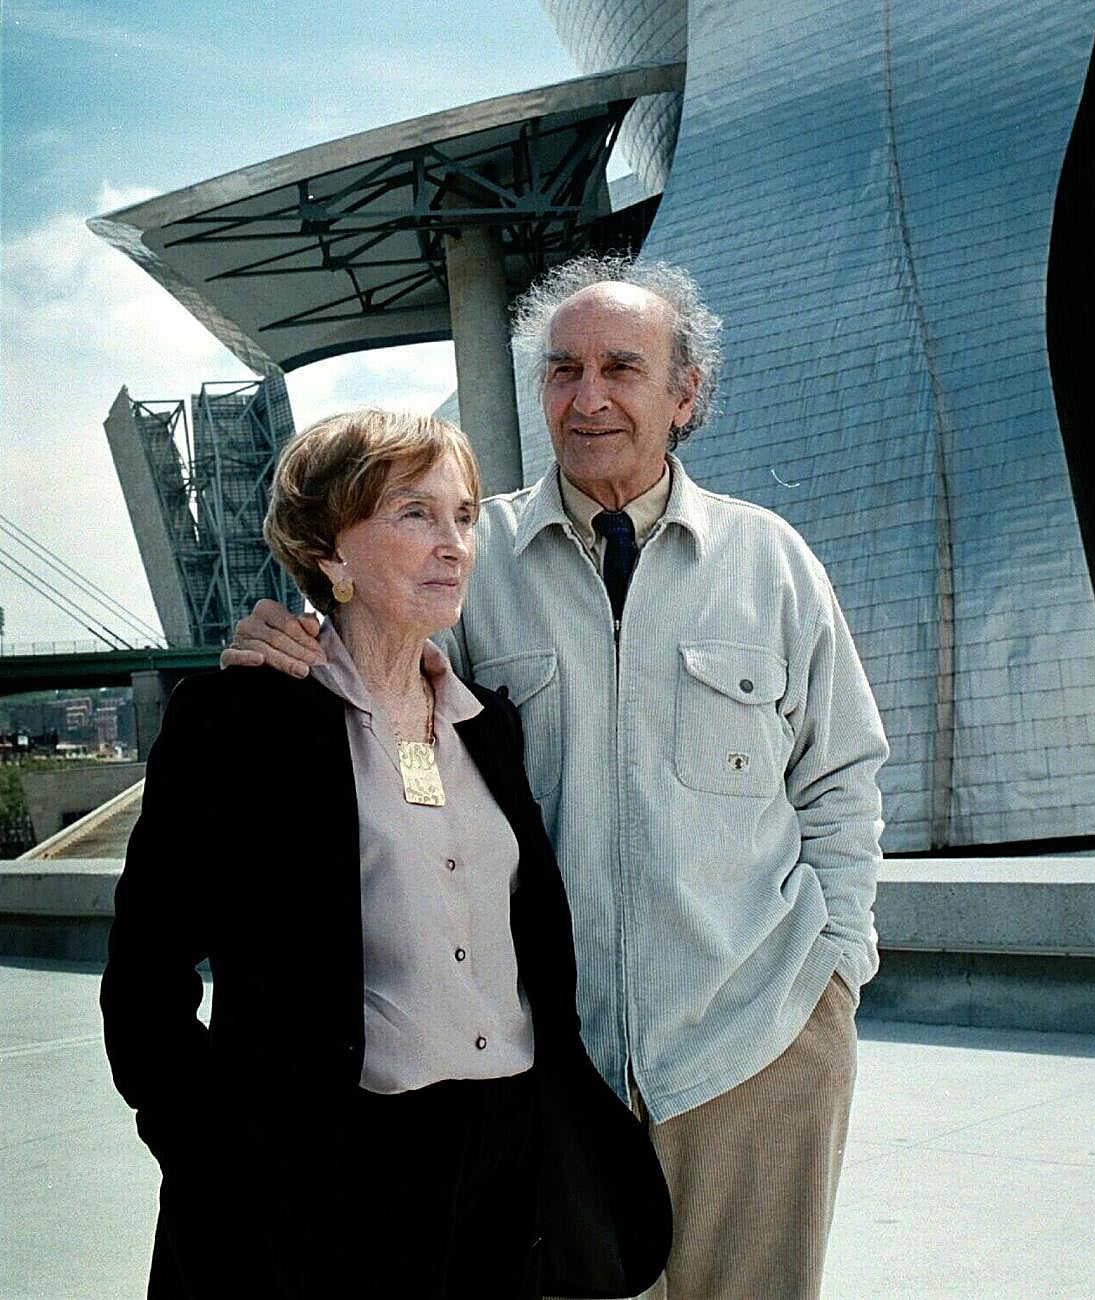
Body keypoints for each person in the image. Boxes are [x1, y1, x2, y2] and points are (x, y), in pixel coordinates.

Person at [226, 257, 889, 1300]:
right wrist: (287, 635)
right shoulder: (463, 553)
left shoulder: (771, 561)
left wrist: (834, 968)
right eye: (561, 369)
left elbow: (842, 777)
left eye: (621, 367)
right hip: (543, 1071)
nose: (587, 398)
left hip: (755, 1047)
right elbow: (369, 678)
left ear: (685, 392)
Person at [101, 408, 671, 1300]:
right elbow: (145, 976)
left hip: (507, 1157)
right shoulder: (241, 723)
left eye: (465, 516)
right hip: (329, 1170)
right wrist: (211, 1147)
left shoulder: (489, 728)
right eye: (414, 514)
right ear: (330, 554)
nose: (453, 545)